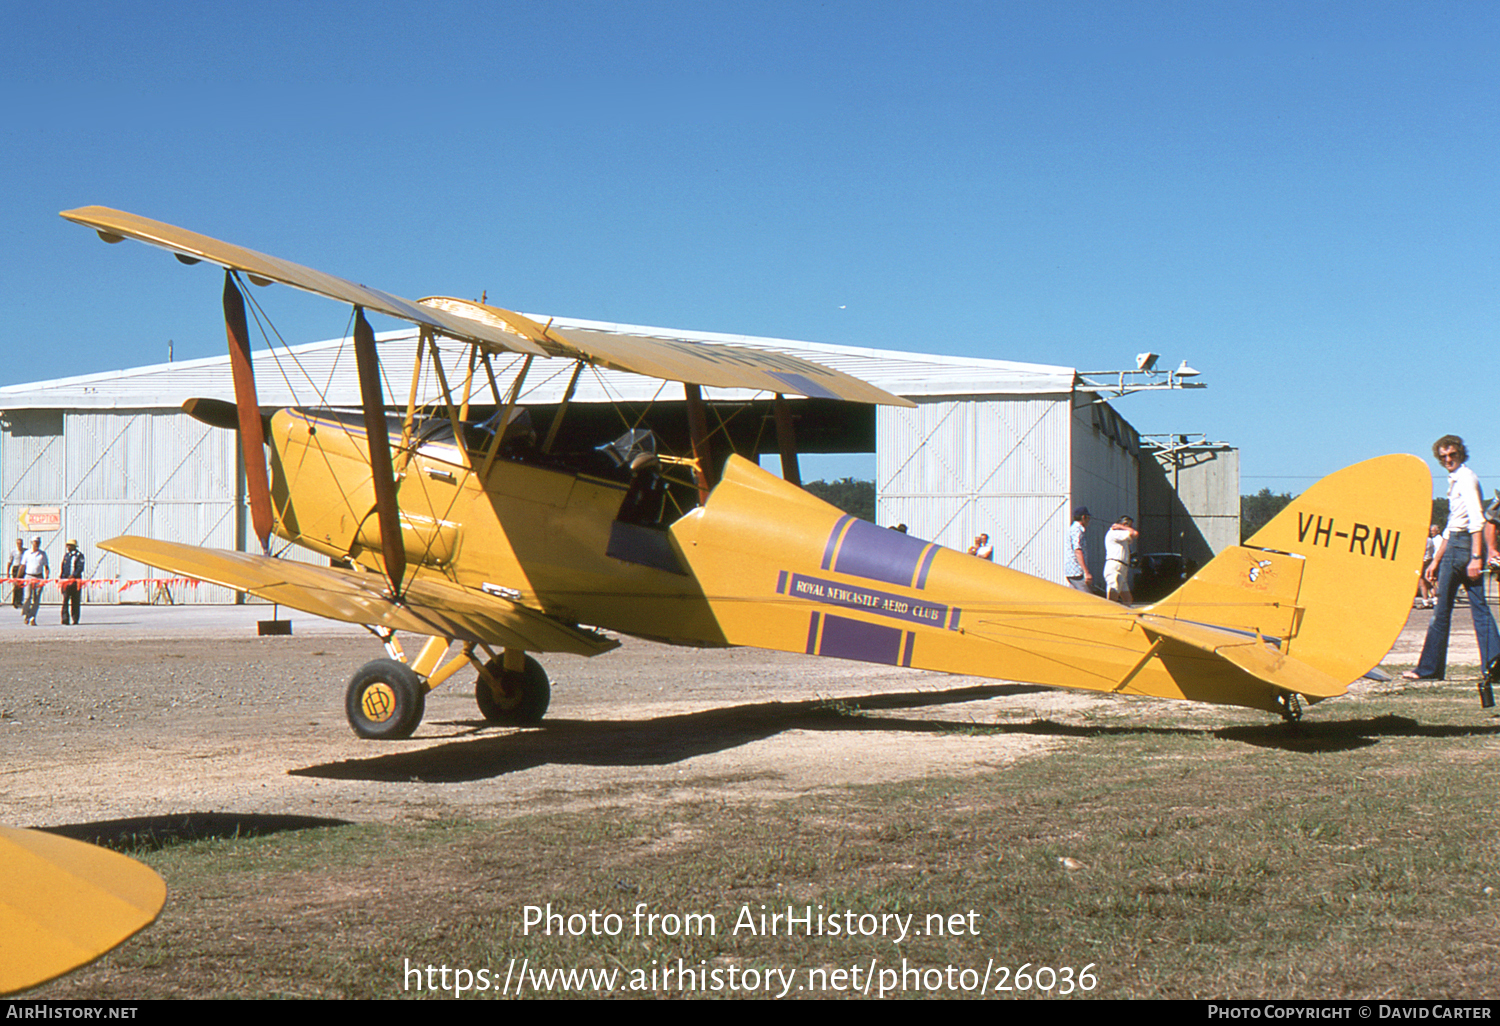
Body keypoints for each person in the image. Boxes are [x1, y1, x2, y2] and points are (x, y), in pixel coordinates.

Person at [1403, 436, 1500, 682]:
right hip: (1457, 543)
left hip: (1464, 547)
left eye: (1452, 455)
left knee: (1443, 611)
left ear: (1461, 454)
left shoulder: (1466, 479)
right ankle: (1495, 669)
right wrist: (1435, 561)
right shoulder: (1457, 478)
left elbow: (1478, 520)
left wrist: (1477, 557)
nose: (1448, 460)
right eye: (1443, 456)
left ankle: (1429, 669)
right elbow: (1452, 525)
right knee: (1477, 608)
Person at [1104, 515, 1139, 604]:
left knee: (1127, 599)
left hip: (1122, 567)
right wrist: (1121, 527)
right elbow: (1134, 533)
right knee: (1113, 596)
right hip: (1115, 566)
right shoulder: (1115, 533)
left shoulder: (1121, 535)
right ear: (1124, 524)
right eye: (1129, 526)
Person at [20, 537, 49, 627]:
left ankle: (32, 617)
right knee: (27, 597)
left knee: (36, 599)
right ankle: (26, 613)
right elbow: (22, 566)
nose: (37, 544)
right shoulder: (27, 553)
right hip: (28, 576)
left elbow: (46, 567)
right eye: (35, 542)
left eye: (38, 542)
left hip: (39, 577)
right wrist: (18, 578)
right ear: (32, 543)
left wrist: (46, 577)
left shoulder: (42, 554)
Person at [1064, 507, 1093, 592]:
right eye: (1088, 518)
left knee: (1073, 596)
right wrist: (1086, 572)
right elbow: (1077, 550)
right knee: (1087, 597)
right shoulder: (1077, 530)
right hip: (1076, 570)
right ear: (1083, 517)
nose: (1089, 520)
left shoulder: (1072, 528)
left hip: (1071, 570)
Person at [59, 539, 84, 625]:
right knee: (65, 600)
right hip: (66, 581)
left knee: (75, 600)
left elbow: (80, 567)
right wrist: (62, 578)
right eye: (67, 545)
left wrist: (74, 575)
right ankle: (65, 619)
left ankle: (75, 618)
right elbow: (63, 567)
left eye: (70, 545)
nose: (68, 547)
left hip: (75, 581)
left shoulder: (79, 556)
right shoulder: (67, 556)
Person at [1417, 524, 1441, 609]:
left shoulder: (1424, 541)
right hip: (1430, 560)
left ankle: (1426, 601)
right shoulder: (1431, 540)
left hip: (1424, 562)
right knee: (1430, 582)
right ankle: (1435, 600)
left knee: (1423, 583)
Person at [6, 539, 23, 609]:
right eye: (18, 543)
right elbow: (9, 562)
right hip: (16, 568)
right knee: (16, 585)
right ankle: (15, 602)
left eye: (21, 543)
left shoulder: (25, 551)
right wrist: (8, 572)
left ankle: (20, 601)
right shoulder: (13, 551)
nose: (19, 545)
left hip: (22, 568)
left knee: (21, 585)